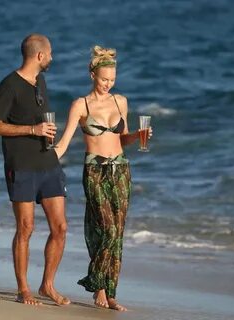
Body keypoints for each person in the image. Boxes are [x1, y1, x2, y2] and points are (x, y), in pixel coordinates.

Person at [55, 45, 152, 311]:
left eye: (112, 80)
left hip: (121, 170)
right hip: (95, 171)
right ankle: (96, 282)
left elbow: (125, 138)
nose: (108, 84)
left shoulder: (121, 101)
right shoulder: (81, 105)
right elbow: (63, 143)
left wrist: (140, 137)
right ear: (92, 75)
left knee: (117, 233)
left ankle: (110, 293)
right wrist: (47, 156)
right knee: (106, 229)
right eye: (103, 79)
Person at [0, 33, 70, 306]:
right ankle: (24, 290)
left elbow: (40, 120)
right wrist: (31, 130)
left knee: (60, 227)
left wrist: (48, 135)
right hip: (21, 166)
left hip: (48, 163)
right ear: (40, 56)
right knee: (26, 228)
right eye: (51, 54)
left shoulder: (40, 82)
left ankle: (47, 285)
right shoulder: (9, 85)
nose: (52, 58)